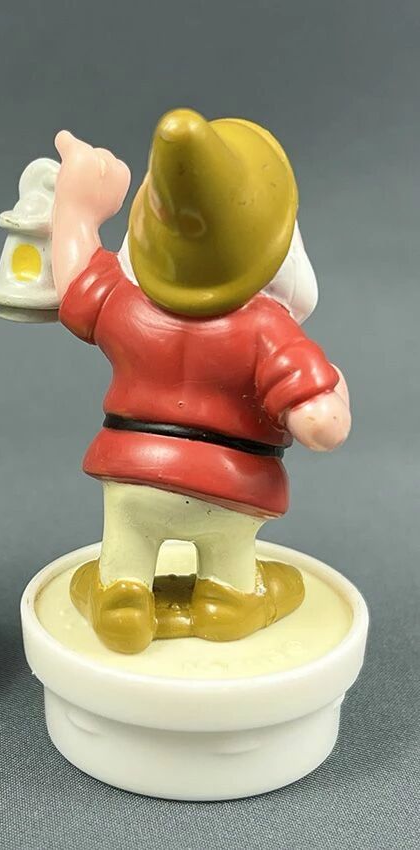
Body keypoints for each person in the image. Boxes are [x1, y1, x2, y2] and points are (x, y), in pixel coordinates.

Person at [51, 109, 351, 653]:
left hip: (133, 472)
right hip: (233, 486)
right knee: (230, 555)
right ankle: (228, 600)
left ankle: (121, 594)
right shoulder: (269, 328)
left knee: (126, 542)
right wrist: (332, 393)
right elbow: (321, 425)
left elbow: (73, 282)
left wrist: (75, 206)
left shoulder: (126, 307)